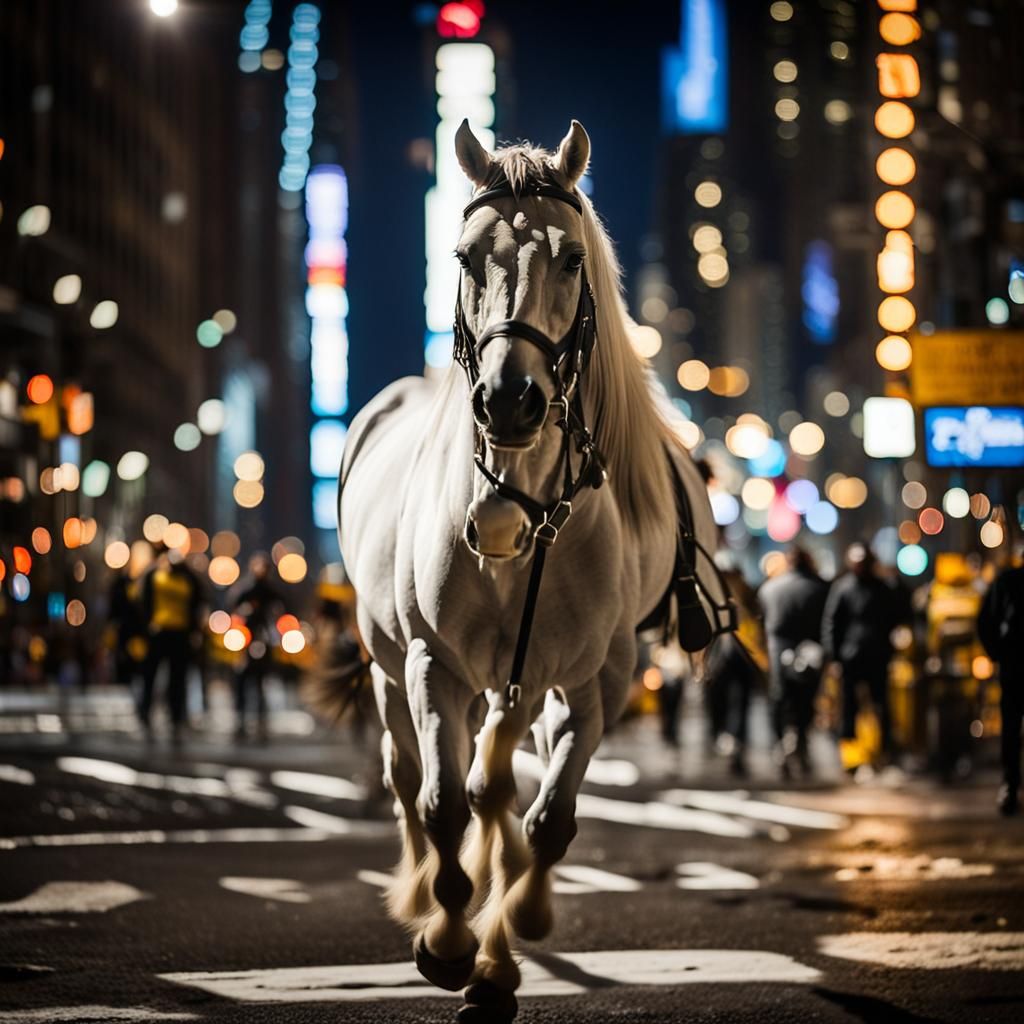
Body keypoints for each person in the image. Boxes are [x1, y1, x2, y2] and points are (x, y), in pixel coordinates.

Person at [821, 542, 904, 763]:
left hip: (876, 656)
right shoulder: (844, 588)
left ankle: (883, 751)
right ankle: (852, 756)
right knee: (849, 707)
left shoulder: (883, 588)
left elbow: (896, 617)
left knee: (881, 705)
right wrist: (835, 657)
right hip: (852, 658)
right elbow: (832, 623)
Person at [759, 545, 829, 777]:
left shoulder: (770, 589)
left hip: (778, 649)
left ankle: (782, 747)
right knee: (805, 702)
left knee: (779, 700)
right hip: (810, 651)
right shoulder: (820, 588)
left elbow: (764, 622)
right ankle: (801, 745)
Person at [138, 545, 203, 743]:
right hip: (159, 631)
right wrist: (147, 626)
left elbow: (197, 604)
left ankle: (175, 717)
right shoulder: (154, 576)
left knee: (178, 679)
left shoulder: (189, 579)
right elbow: (143, 601)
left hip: (180, 634)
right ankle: (145, 713)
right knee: (150, 675)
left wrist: (194, 631)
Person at [977, 556, 1024, 815]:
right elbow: (986, 622)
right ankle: (1011, 783)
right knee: (1011, 728)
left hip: (1013, 667)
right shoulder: (1007, 583)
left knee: (1011, 729)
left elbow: (985, 622)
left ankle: (1010, 785)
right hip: (1014, 666)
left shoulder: (1007, 582)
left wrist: (998, 654)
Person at [230, 552, 284, 741]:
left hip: (264, 642)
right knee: (242, 682)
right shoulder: (244, 589)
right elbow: (234, 610)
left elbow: (281, 610)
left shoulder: (271, 592)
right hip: (245, 643)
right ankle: (240, 720)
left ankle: (261, 722)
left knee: (260, 684)